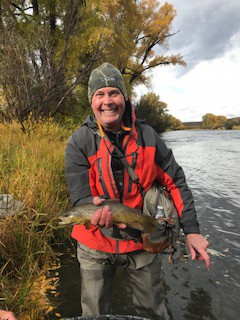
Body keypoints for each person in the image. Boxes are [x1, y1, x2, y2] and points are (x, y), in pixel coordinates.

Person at [65, 62, 210, 319]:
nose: (107, 101)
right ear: (91, 102)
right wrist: (94, 210)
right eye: (100, 94)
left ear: (125, 98)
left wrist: (193, 231)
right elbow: (80, 196)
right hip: (94, 243)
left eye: (114, 93)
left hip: (141, 241)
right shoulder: (79, 142)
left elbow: (176, 182)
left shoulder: (149, 137)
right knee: (94, 315)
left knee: (153, 312)